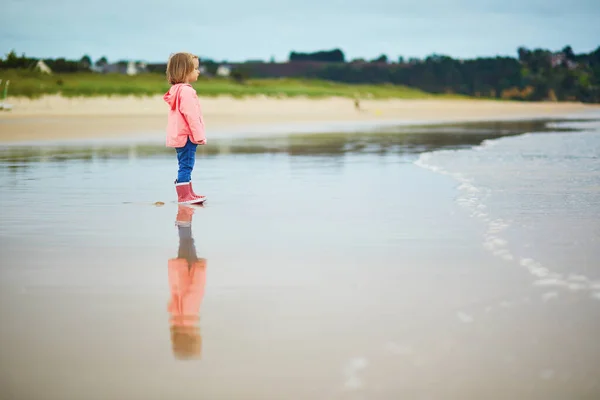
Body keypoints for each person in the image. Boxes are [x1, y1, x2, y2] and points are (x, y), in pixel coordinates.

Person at [164, 52, 207, 204]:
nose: (198, 71)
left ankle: (189, 192)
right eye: (195, 68)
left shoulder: (177, 90)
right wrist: (199, 135)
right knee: (186, 165)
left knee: (185, 164)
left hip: (179, 135)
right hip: (187, 135)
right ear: (185, 71)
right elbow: (191, 116)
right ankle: (184, 196)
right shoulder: (187, 91)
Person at [168, 205, 207, 359]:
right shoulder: (177, 320)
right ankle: (183, 215)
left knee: (186, 241)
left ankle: (184, 213)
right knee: (185, 241)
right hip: (182, 272)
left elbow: (195, 291)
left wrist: (200, 270)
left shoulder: (187, 318)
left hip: (187, 270)